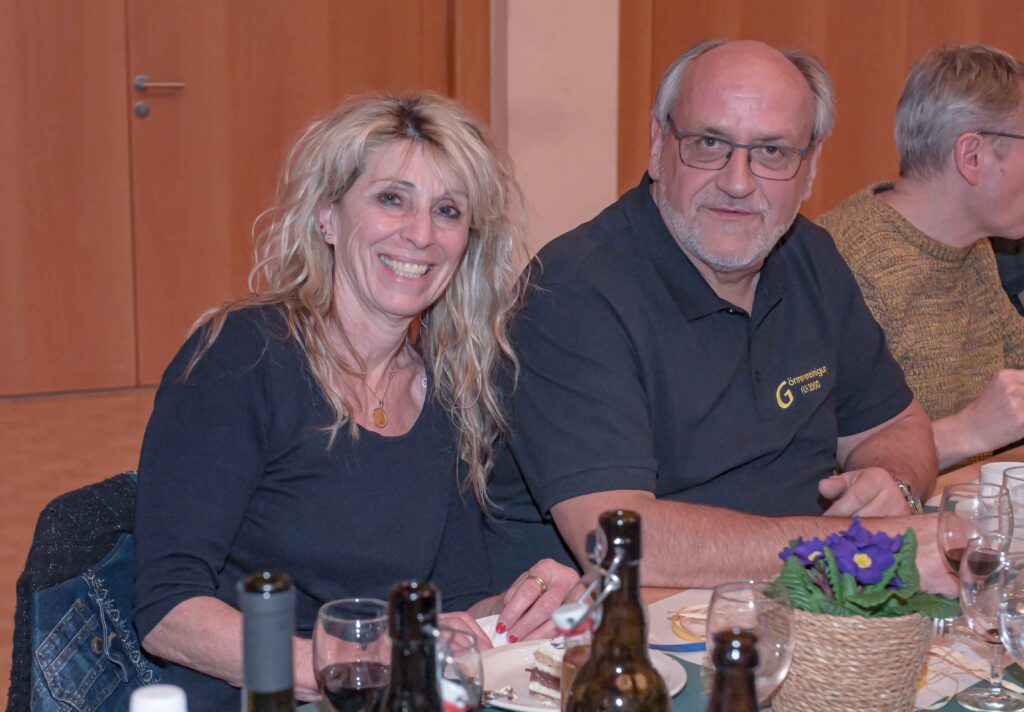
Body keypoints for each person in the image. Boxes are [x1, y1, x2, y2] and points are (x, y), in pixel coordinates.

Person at [133, 93, 579, 709]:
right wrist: (348, 664)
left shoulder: (449, 390)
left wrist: (517, 608)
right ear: (327, 217)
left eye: (447, 210)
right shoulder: (241, 357)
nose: (421, 234)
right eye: (392, 199)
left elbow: (453, 599)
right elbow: (167, 611)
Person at [485, 39, 953, 595]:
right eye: (709, 143)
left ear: (808, 170)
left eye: (772, 151)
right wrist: (857, 550)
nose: (737, 182)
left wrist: (894, 482)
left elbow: (898, 426)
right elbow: (622, 541)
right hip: (635, 623)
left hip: (801, 599)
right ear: (658, 146)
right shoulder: (573, 291)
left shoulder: (811, 257)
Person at [819, 44, 1024, 470]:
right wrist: (968, 430)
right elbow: (820, 469)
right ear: (972, 156)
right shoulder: (841, 263)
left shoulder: (972, 247)